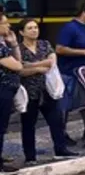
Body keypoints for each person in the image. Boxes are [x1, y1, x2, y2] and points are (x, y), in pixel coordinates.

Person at [18, 19, 77, 165]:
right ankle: (30, 156)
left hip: (48, 90)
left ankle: (61, 149)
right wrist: (38, 68)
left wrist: (30, 65)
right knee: (28, 125)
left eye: (36, 27)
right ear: (22, 32)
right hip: (29, 92)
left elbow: (51, 62)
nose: (34, 30)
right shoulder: (18, 49)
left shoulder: (44, 44)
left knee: (56, 120)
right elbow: (19, 70)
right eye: (30, 28)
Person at [56, 3, 85, 146]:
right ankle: (61, 134)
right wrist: (84, 52)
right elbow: (60, 49)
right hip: (69, 73)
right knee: (65, 105)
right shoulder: (70, 28)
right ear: (84, 13)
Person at [0, 12, 23, 172]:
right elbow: (18, 66)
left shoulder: (3, 44)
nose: (9, 26)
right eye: (5, 23)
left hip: (8, 89)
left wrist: (14, 44)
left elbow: (18, 61)